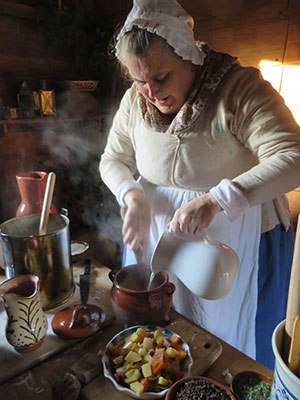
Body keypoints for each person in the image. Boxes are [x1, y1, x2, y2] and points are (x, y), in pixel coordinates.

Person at [100, 0, 300, 369]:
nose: (150, 92)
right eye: (139, 80)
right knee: (158, 339)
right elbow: (113, 160)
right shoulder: (134, 101)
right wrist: (131, 196)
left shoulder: (240, 89)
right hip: (159, 232)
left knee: (226, 350)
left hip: (230, 237)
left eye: (160, 78)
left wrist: (218, 199)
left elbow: (294, 156)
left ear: (189, 57)